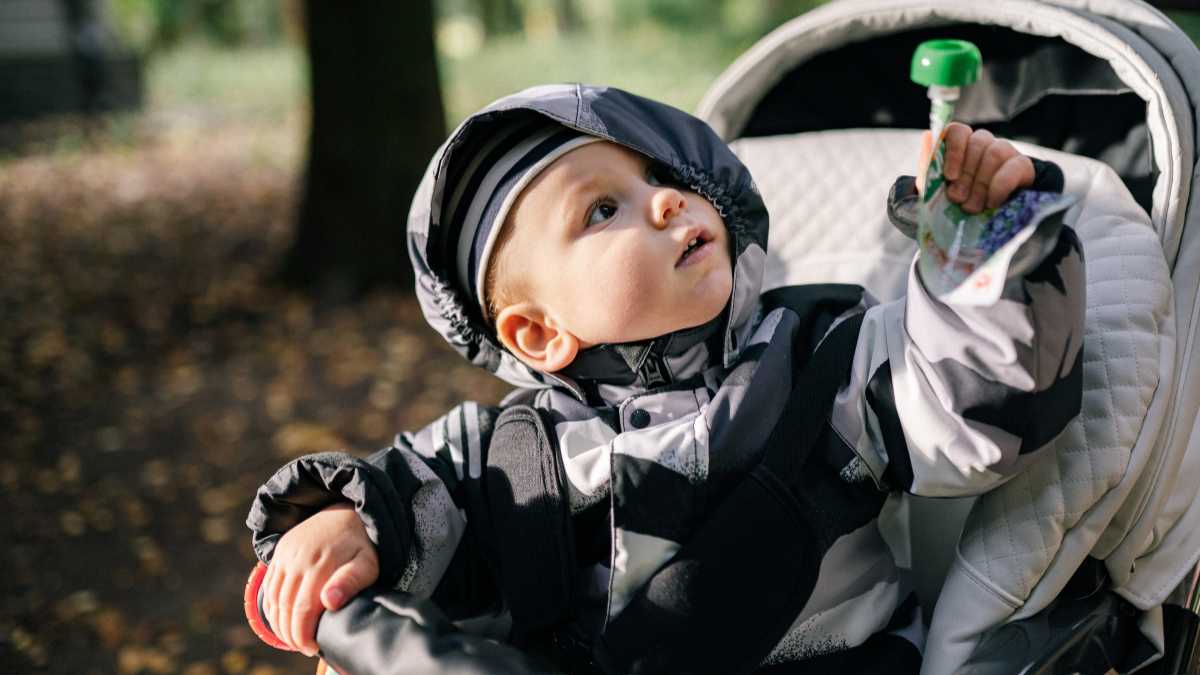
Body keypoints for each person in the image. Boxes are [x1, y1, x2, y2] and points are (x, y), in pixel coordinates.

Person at [245, 84, 1084, 673]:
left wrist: (984, 250)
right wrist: (340, 523)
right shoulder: (506, 452)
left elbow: (971, 397)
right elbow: (402, 494)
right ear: (539, 331)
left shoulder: (822, 356)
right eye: (601, 210)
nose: (667, 202)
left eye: (661, 177)